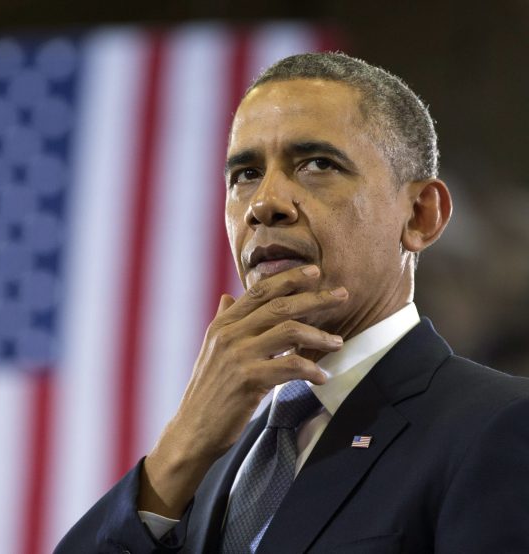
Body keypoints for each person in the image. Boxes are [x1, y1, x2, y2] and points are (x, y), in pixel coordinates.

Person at [55, 52, 529, 553]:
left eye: (317, 164)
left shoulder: (499, 426)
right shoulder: (200, 468)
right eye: (245, 174)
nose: (265, 203)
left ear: (419, 216)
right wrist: (180, 450)